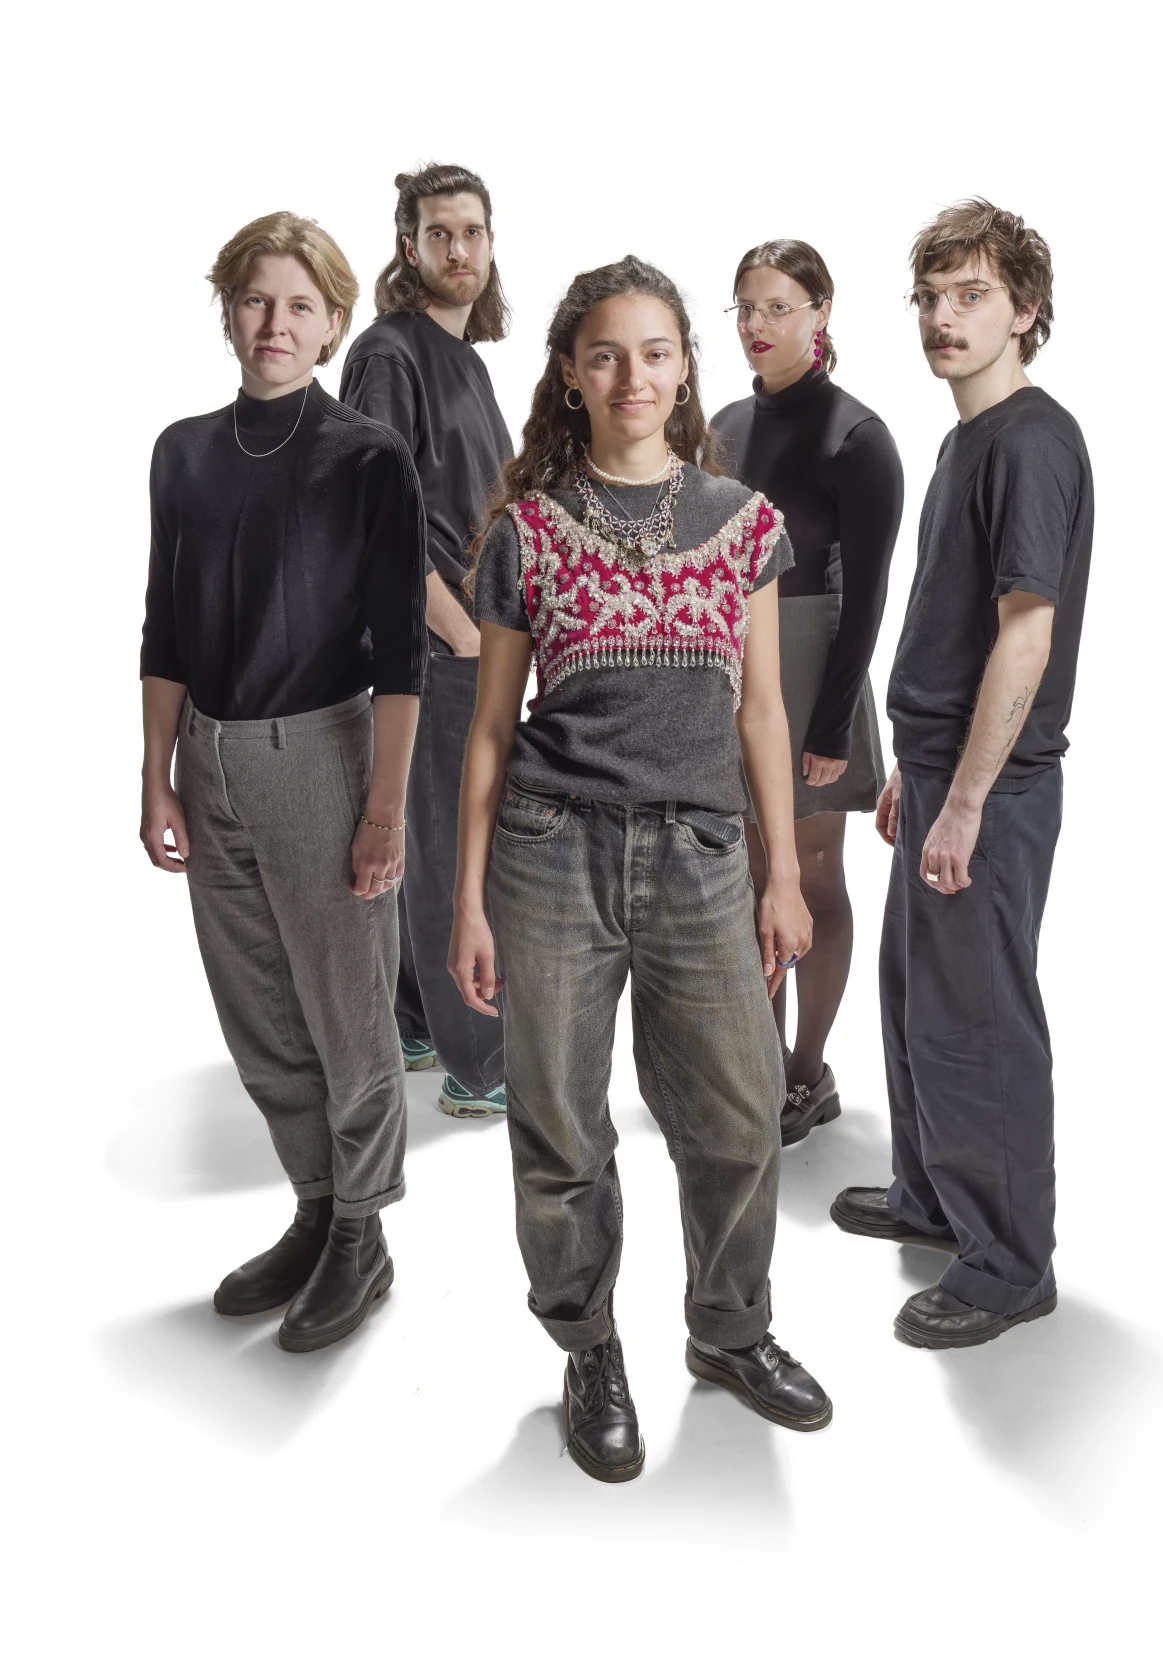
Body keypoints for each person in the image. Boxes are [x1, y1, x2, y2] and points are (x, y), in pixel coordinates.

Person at [449, 256, 833, 1483]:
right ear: (570, 371)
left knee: (734, 1116)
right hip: (550, 852)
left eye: (655, 352)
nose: (632, 375)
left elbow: (762, 713)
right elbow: (491, 732)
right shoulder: (526, 530)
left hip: (705, 855)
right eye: (606, 353)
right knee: (560, 1130)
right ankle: (588, 1346)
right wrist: (463, 898)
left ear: (684, 369)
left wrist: (781, 874)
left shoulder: (743, 523)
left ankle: (728, 1332)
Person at [139, 212, 425, 1352]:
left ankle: (364, 1231)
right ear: (227, 311)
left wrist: (385, 811)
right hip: (207, 755)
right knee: (260, 1011)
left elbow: (403, 652)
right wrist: (154, 773)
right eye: (257, 300)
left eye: (300, 306)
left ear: (333, 324)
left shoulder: (366, 457)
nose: (275, 323)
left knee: (347, 1015)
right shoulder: (184, 451)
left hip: (321, 753)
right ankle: (313, 1206)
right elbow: (163, 621)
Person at [831, 199, 1093, 1349]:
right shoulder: (960, 440)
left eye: (971, 295)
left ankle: (1005, 1262)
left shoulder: (1031, 442)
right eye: (930, 298)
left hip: (991, 792)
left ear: (1024, 309)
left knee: (979, 1021)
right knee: (914, 1004)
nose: (942, 317)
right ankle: (935, 1197)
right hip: (940, 770)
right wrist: (921, 770)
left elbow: (1023, 637)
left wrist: (971, 798)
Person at [712, 240, 903, 1144]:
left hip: (814, 668)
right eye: (745, 307)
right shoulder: (719, 427)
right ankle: (753, 1064)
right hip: (731, 672)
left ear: (821, 311)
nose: (757, 325)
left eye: (778, 307)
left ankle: (803, 1074)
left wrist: (831, 722)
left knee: (815, 876)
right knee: (749, 876)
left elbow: (866, 597)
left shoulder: (856, 438)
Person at [341, 163, 513, 1119]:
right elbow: (379, 518)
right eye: (439, 233)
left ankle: (414, 1018)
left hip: (476, 637)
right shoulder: (389, 354)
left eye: (473, 232)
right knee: (453, 845)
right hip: (434, 646)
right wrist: (458, 634)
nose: (459, 250)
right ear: (410, 247)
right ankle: (483, 1061)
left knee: (435, 833)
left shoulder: (470, 360)